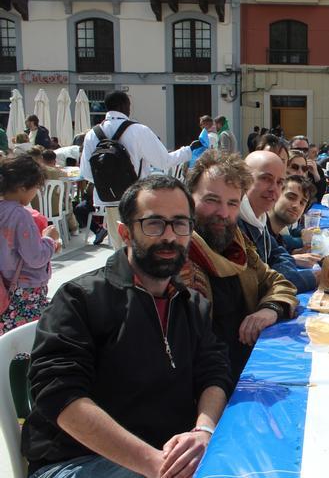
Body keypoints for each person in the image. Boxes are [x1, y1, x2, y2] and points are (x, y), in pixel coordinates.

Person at [22, 175, 233, 477]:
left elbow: (214, 371)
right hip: (75, 460)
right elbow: (59, 394)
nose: (169, 236)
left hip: (164, 454)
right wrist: (154, 464)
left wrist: (204, 431)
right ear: (125, 233)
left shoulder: (191, 304)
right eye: (154, 223)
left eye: (180, 223)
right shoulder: (81, 299)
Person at [181, 150, 298, 380]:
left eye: (232, 203)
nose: (223, 213)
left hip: (250, 371)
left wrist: (270, 309)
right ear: (189, 200)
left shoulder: (236, 243)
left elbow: (277, 281)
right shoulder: (178, 259)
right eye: (211, 200)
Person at [80, 91, 193, 250]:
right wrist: (188, 151)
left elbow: (86, 173)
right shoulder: (139, 130)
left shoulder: (92, 134)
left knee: (119, 248)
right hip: (136, 198)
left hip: (109, 200)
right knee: (141, 246)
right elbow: (164, 161)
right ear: (124, 106)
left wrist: (110, 182)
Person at [238, 150, 318, 292]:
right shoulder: (235, 224)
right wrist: (317, 277)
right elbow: (263, 283)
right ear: (243, 180)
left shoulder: (258, 220)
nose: (273, 188)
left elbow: (280, 256)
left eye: (279, 182)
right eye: (266, 178)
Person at [0, 155, 60, 333]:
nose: (36, 192)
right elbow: (36, 257)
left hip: (4, 285)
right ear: (22, 187)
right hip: (25, 290)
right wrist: (49, 239)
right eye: (36, 187)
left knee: (8, 338)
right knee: (29, 337)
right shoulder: (20, 215)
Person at [268, 175, 321, 268]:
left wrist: (295, 253)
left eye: (302, 202)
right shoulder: (259, 231)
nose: (296, 205)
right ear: (275, 195)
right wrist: (292, 259)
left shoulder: (277, 237)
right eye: (291, 197)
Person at [297, 137, 327, 202]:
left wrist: (316, 174)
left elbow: (321, 194)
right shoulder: (289, 167)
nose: (316, 154)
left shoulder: (317, 168)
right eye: (313, 152)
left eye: (317, 152)